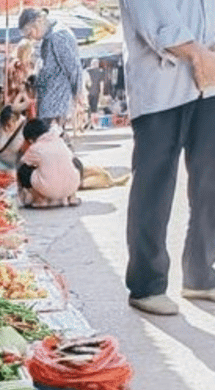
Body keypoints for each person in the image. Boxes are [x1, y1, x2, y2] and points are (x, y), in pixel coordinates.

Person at [119, 0, 215, 315]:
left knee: (209, 182)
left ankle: (200, 274)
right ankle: (147, 284)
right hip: (162, 85)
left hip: (208, 86)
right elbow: (157, 19)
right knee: (155, 183)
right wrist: (198, 53)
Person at [18, 8, 82, 129]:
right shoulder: (49, 37)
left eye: (30, 33)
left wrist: (78, 95)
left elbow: (73, 68)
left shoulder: (58, 36)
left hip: (55, 106)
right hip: (50, 105)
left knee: (52, 141)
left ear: (37, 22)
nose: (31, 38)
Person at [16, 118, 81, 208]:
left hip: (49, 189)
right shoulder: (60, 141)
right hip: (71, 187)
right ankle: (72, 197)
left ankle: (40, 199)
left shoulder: (35, 148)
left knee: (24, 170)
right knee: (76, 163)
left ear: (30, 139)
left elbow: (23, 162)